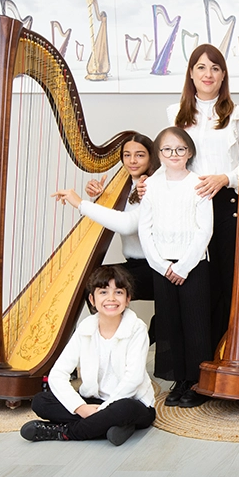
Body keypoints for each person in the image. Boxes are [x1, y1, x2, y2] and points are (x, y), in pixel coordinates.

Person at [168, 43, 239, 350]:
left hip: (229, 205)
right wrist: (147, 183)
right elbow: (171, 159)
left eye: (216, 68)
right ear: (191, 74)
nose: (208, 74)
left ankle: (233, 355)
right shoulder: (175, 113)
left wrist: (226, 178)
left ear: (223, 77)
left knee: (234, 284)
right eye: (201, 67)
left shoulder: (238, 114)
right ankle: (201, 361)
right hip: (190, 208)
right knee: (199, 288)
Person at [20, 265, 156, 446]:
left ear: (128, 299)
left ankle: (66, 432)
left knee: (124, 409)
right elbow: (58, 374)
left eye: (118, 292)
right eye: (103, 292)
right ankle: (111, 428)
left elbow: (134, 379)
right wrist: (80, 408)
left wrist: (104, 410)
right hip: (94, 401)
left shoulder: (136, 328)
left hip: (131, 401)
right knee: (40, 401)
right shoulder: (85, 328)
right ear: (92, 299)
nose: (111, 298)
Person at [52, 134, 160, 340]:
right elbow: (114, 214)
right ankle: (103, 339)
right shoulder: (124, 185)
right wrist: (102, 197)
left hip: (156, 269)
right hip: (134, 265)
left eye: (140, 155)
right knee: (90, 279)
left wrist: (82, 204)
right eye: (127, 155)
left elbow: (127, 224)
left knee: (98, 282)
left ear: (151, 157)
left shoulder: (152, 186)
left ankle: (115, 337)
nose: (132, 160)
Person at [138, 126, 213, 408]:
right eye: (167, 149)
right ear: (159, 153)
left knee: (195, 325)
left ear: (189, 153)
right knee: (170, 324)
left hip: (192, 266)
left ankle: (197, 383)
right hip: (162, 266)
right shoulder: (151, 185)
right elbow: (145, 229)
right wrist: (160, 264)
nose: (174, 154)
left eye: (180, 149)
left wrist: (182, 267)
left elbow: (204, 231)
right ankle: (178, 380)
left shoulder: (198, 184)